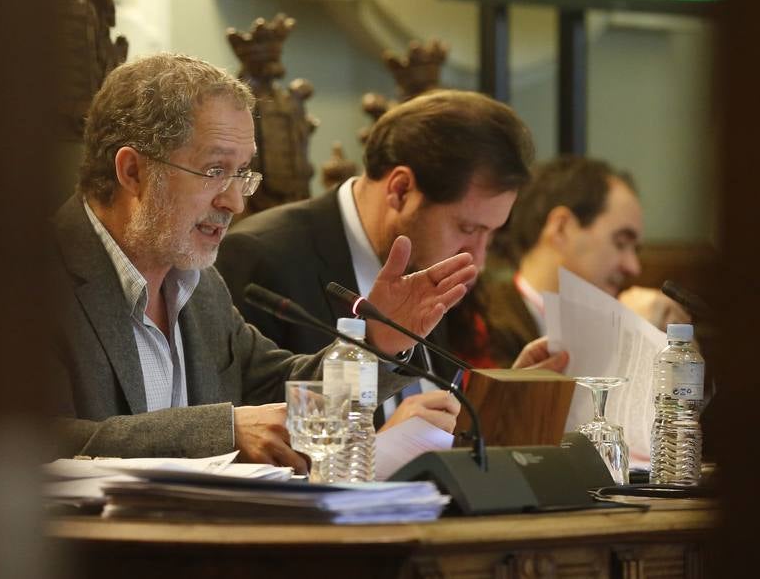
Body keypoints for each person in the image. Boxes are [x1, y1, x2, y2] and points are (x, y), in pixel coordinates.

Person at [51, 53, 478, 466]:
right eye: (215, 170)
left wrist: (377, 344)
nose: (235, 201)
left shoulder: (202, 288)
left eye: (242, 173)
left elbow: (285, 393)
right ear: (133, 172)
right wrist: (223, 430)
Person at [217, 89, 567, 421]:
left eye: (490, 234)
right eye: (468, 229)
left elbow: (442, 422)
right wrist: (384, 439)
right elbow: (256, 436)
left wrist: (502, 403)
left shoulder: (429, 260)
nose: (477, 259)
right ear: (401, 190)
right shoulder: (263, 260)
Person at [449, 155, 687, 368]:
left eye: (635, 250)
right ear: (561, 228)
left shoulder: (598, 319)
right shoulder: (480, 320)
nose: (633, 266)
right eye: (621, 243)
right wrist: (628, 339)